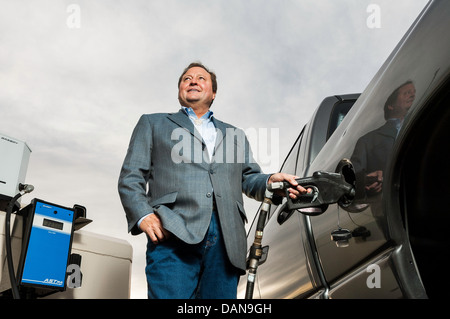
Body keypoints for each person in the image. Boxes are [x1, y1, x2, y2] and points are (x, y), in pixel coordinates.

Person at [118, 62, 308, 299]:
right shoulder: (152, 123)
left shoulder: (235, 134)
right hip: (173, 230)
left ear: (213, 93)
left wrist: (270, 180)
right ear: (180, 90)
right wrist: (143, 215)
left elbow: (249, 179)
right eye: (186, 79)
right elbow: (131, 176)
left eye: (201, 78)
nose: (193, 81)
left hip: (227, 238)